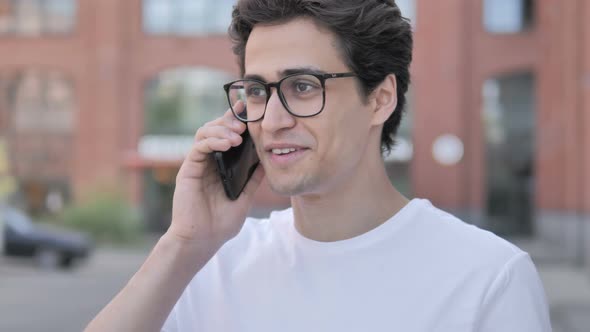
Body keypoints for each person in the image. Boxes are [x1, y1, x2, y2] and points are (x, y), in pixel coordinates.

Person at [85, 0, 551, 331]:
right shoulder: (211, 260)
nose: (271, 119)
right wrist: (183, 245)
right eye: (257, 90)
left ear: (380, 99)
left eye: (303, 87)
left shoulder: (488, 277)